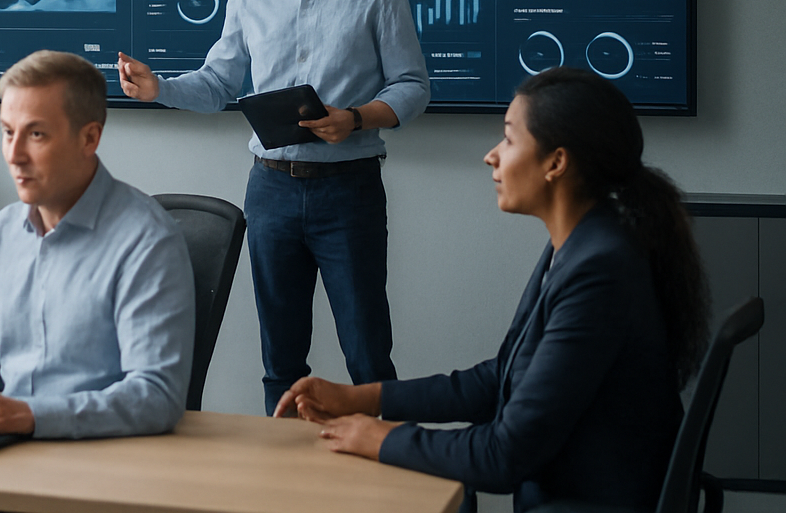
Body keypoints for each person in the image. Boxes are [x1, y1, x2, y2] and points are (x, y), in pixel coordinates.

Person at [274, 67, 711, 512]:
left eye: (509, 139)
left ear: (556, 163)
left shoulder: (600, 269)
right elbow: (503, 375)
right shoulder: (584, 245)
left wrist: (378, 436)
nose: (492, 156)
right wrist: (364, 397)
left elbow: (505, 456)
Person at [119, 0, 429, 414]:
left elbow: (412, 86)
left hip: (348, 189)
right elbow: (218, 84)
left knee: (367, 353)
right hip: (272, 191)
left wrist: (354, 118)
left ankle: (386, 480)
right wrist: (158, 88)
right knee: (280, 359)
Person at [0, 50, 194, 439]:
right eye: (8, 132)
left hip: (98, 458)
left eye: (36, 134)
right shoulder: (4, 229)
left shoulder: (146, 241)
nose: (14, 155)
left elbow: (156, 397)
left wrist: (32, 415)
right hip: (1, 444)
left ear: (89, 137)